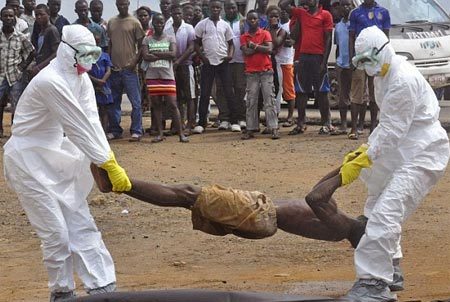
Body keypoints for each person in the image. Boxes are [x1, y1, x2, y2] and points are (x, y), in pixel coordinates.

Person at [3, 24, 132, 302]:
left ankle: (103, 288)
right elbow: (77, 126)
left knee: (81, 222)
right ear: (66, 51)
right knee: (56, 233)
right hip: (27, 160)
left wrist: (109, 160)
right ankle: (61, 292)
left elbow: (92, 122)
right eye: (84, 54)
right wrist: (105, 161)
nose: (90, 60)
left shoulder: (81, 79)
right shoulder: (50, 81)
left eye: (94, 53)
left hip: (56, 158)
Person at [340, 26, 450, 301]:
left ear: (383, 49)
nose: (366, 67)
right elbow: (387, 124)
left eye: (368, 60)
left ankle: (374, 282)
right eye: (360, 62)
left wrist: (367, 155)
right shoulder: (382, 74)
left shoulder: (401, 78)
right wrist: (365, 150)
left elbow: (393, 129)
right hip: (404, 147)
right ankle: (391, 266)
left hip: (424, 152)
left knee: (386, 212)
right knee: (374, 203)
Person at [91, 161, 366, 248]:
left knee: (189, 194)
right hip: (261, 213)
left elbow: (315, 197)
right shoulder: (340, 220)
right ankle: (120, 185)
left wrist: (345, 174)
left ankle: (121, 184)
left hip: (262, 214)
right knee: (187, 199)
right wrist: (348, 162)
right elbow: (318, 190)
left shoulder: (341, 228)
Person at [279, 0, 334, 135]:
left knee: (322, 92)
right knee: (301, 92)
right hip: (303, 57)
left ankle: (327, 123)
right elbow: (283, 5)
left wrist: (324, 61)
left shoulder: (326, 15)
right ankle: (300, 123)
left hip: (318, 57)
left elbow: (328, 39)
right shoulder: (302, 14)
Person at [142, 13, 189, 144]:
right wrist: (164, 54)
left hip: (167, 76)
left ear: (164, 23)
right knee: (156, 105)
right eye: (157, 22)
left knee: (173, 105)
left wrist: (155, 53)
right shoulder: (147, 39)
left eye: (162, 22)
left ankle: (181, 134)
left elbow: (173, 54)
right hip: (152, 77)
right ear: (153, 23)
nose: (159, 24)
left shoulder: (170, 38)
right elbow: (145, 56)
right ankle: (160, 134)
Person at [192, 0, 237, 134]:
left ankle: (233, 121)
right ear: (209, 9)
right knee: (205, 93)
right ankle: (201, 124)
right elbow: (196, 44)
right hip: (208, 63)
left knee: (229, 92)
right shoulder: (202, 25)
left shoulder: (225, 25)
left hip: (223, 62)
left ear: (221, 8)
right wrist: (202, 57)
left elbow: (231, 43)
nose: (215, 9)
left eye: (218, 7)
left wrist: (230, 55)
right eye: (213, 7)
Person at [348, 0, 391, 135]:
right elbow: (351, 37)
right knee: (357, 93)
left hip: (377, 58)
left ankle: (373, 127)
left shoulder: (383, 12)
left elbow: (386, 38)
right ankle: (354, 128)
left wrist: (385, 58)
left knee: (375, 93)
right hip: (360, 58)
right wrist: (352, 58)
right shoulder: (355, 13)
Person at [107, 0, 145, 142]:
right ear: (116, 4)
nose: (122, 6)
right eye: (119, 4)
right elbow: (110, 43)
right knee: (114, 102)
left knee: (135, 102)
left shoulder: (135, 22)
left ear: (128, 3)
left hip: (130, 70)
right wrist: (109, 63)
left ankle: (136, 130)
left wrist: (134, 62)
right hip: (115, 69)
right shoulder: (111, 22)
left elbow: (141, 46)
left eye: (124, 4)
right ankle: (115, 130)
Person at [240, 10, 279, 140]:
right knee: (251, 101)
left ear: (258, 20)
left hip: (266, 71)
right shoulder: (244, 36)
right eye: (250, 19)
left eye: (254, 19)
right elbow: (246, 52)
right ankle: (251, 128)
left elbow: (269, 49)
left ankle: (273, 127)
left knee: (269, 100)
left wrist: (254, 46)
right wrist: (259, 47)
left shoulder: (265, 33)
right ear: (247, 21)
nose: (252, 21)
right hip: (251, 72)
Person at [0, 6, 34, 137]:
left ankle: (16, 132)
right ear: (1, 18)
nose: (8, 18)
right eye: (5, 16)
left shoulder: (21, 37)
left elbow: (31, 52)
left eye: (10, 16)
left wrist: (22, 67)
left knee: (17, 105)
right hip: (1, 75)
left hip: (16, 76)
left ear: (14, 18)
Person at [165, 3, 196, 135]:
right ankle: (177, 124)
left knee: (190, 96)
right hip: (172, 67)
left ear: (182, 14)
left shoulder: (188, 28)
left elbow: (191, 47)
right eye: (175, 13)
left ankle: (190, 124)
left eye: (179, 13)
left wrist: (179, 60)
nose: (177, 15)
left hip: (186, 65)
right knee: (175, 97)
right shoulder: (167, 30)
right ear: (171, 14)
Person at [216, 0, 247, 132]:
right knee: (222, 90)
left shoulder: (244, 22)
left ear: (237, 8)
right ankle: (224, 118)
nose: (231, 10)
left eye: (233, 8)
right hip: (223, 62)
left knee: (240, 89)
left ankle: (241, 117)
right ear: (224, 8)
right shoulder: (219, 22)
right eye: (228, 8)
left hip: (240, 61)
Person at [267, 6, 295, 128]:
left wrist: (273, 28)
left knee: (288, 90)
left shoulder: (282, 30)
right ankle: (274, 115)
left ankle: (290, 116)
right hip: (272, 62)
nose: (274, 18)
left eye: (276, 16)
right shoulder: (264, 29)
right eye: (271, 16)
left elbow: (276, 43)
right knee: (275, 90)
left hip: (285, 61)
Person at [331, 0, 353, 136]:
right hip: (341, 65)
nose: (345, 8)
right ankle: (343, 125)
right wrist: (337, 62)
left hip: (354, 65)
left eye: (348, 5)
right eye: (343, 5)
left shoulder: (355, 25)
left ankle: (356, 125)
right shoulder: (338, 27)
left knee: (356, 96)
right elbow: (338, 46)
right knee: (342, 96)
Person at [88, 29, 113, 132]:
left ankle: (104, 131)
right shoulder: (87, 56)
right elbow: (85, 71)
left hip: (104, 85)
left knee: (104, 110)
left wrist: (102, 81)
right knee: (92, 110)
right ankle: (95, 132)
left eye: (97, 41)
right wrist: (96, 81)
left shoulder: (105, 55)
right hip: (92, 85)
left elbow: (109, 70)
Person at [31, 4, 60, 77]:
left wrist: (39, 67)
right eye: (36, 15)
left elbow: (56, 53)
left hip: (49, 70)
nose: (38, 17)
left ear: (48, 14)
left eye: (41, 14)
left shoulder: (52, 30)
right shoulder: (41, 31)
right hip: (41, 69)